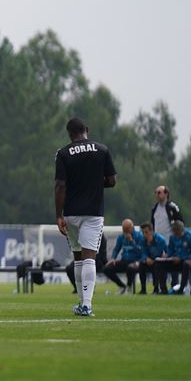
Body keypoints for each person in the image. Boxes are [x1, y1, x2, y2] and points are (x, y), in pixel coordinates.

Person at [53, 117, 117, 317]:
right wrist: (95, 184)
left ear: (69, 134)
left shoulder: (63, 153)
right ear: (86, 130)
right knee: (90, 256)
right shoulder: (102, 150)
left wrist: (58, 215)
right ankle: (87, 305)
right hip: (93, 212)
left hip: (71, 212)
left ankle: (82, 303)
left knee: (78, 257)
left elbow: (60, 186)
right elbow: (112, 181)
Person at [154, 220, 191, 295]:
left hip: (190, 261)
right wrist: (166, 256)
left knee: (186, 264)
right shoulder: (172, 237)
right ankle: (163, 289)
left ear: (181, 230)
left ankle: (181, 289)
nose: (175, 233)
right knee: (158, 264)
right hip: (176, 260)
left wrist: (181, 258)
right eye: (173, 231)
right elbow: (170, 250)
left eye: (176, 231)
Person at [102, 219, 144, 294]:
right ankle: (122, 286)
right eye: (124, 230)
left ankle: (129, 287)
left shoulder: (139, 235)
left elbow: (141, 251)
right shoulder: (121, 237)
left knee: (130, 268)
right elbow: (116, 249)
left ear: (132, 227)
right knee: (107, 268)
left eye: (127, 230)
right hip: (124, 260)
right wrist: (113, 258)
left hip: (136, 261)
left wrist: (131, 241)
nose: (126, 232)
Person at [138, 222, 168, 295]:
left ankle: (156, 288)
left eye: (146, 232)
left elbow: (166, 252)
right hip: (148, 260)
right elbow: (142, 252)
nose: (144, 235)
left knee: (157, 266)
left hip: (158, 260)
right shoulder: (142, 241)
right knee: (141, 265)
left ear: (151, 231)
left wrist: (156, 259)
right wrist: (146, 258)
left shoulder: (160, 240)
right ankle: (143, 289)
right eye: (143, 232)